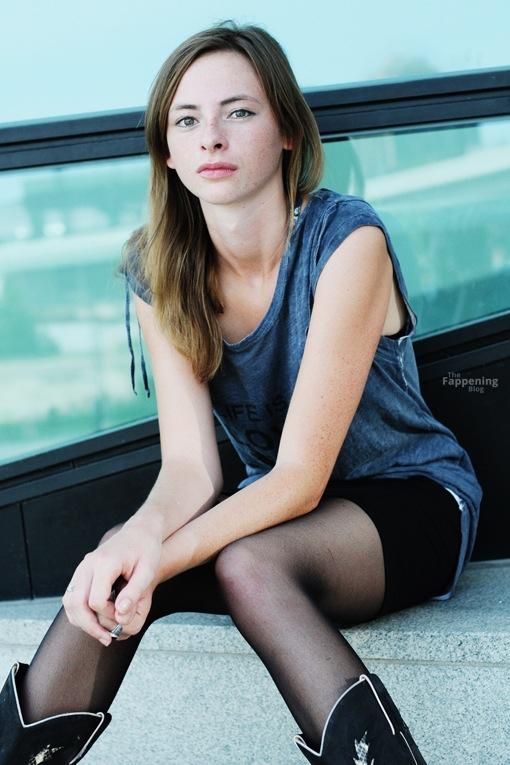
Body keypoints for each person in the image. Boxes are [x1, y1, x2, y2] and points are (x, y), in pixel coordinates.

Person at [0, 21, 482, 765]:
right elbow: (191, 468)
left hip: (410, 500)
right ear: (168, 151)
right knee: (120, 557)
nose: (212, 138)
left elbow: (300, 477)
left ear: (287, 131)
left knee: (246, 563)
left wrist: (161, 554)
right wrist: (135, 541)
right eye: (187, 121)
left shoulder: (347, 242)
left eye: (239, 112)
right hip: (274, 514)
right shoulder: (159, 271)